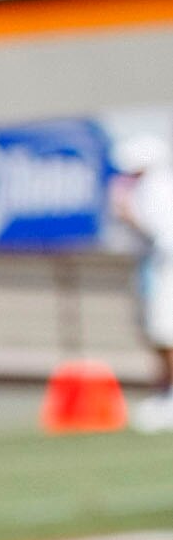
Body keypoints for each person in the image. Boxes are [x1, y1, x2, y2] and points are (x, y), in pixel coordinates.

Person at [110, 134, 173, 432]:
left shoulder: (157, 188)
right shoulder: (148, 188)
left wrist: (128, 212)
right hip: (156, 271)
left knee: (166, 335)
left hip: (166, 272)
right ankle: (164, 395)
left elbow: (160, 234)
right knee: (158, 336)